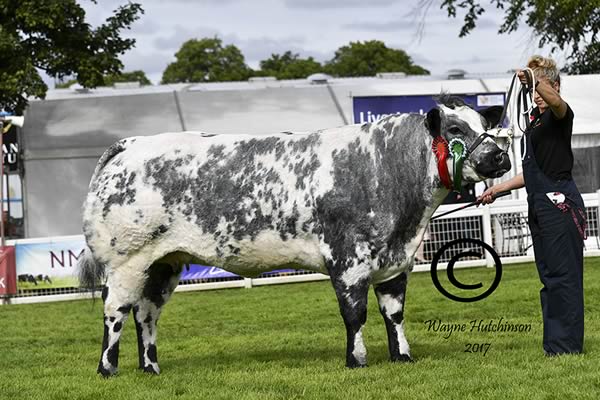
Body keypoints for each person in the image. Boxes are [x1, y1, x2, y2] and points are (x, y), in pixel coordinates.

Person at [479, 55, 586, 356]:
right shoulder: (536, 124)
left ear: (554, 86)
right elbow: (532, 171)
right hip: (539, 204)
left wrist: (534, 78)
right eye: (533, 91)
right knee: (550, 278)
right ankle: (555, 346)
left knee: (564, 277)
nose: (536, 95)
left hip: (560, 205)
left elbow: (556, 102)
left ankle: (567, 348)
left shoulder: (561, 115)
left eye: (541, 88)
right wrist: (497, 189)